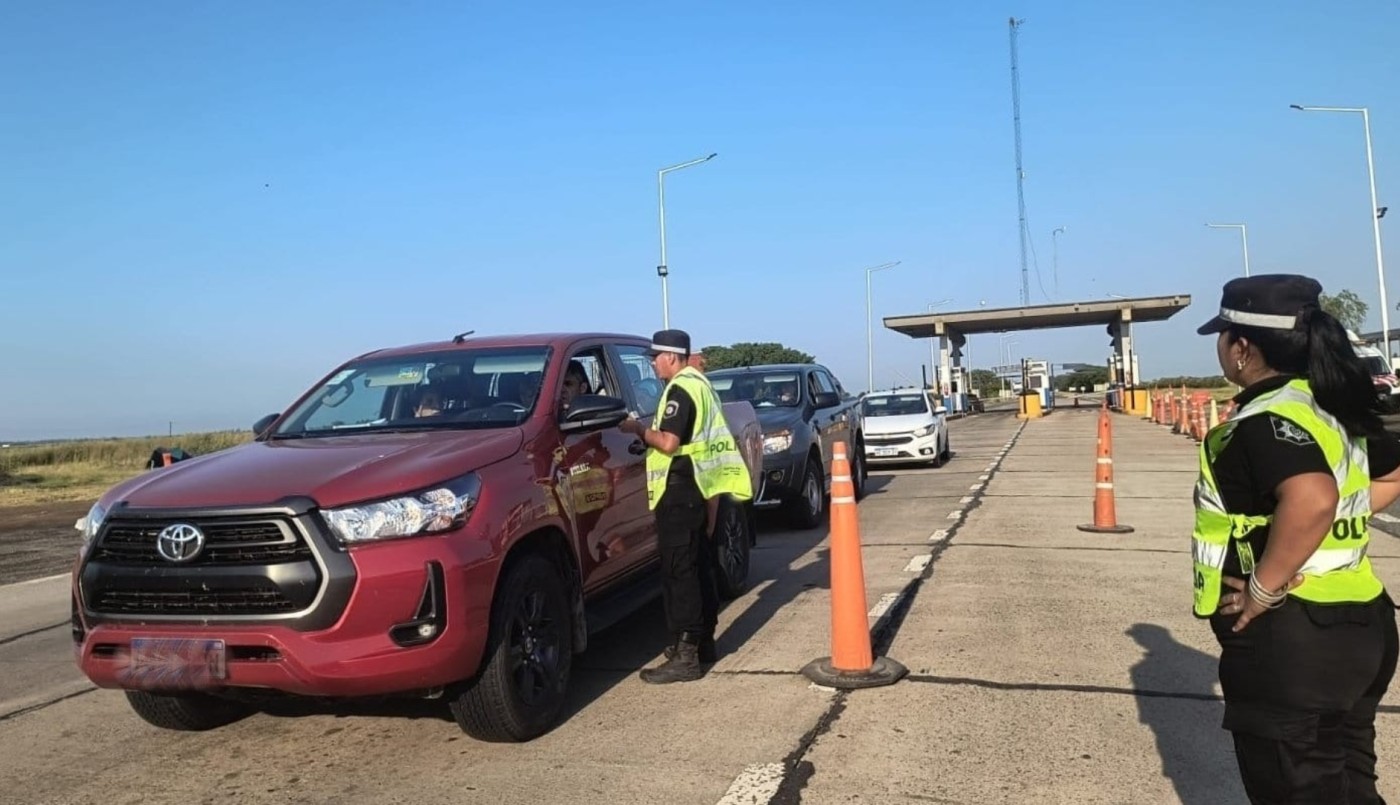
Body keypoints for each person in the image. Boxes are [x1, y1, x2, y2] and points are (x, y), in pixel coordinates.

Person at [1193, 274, 1400, 803]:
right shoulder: (1332, 406)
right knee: (1352, 786)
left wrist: (1265, 584)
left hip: (1294, 640)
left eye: (1222, 336)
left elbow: (1311, 499)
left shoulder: (1263, 419)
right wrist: (1308, 532)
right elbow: (1388, 477)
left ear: (1242, 348)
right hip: (1364, 627)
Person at [619, 329, 753, 684]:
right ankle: (703, 642)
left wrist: (636, 429)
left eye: (655, 357)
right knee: (699, 566)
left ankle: (686, 654)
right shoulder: (701, 384)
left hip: (679, 491)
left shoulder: (680, 389)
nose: (651, 363)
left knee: (680, 574)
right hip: (699, 488)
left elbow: (668, 441)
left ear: (672, 358)